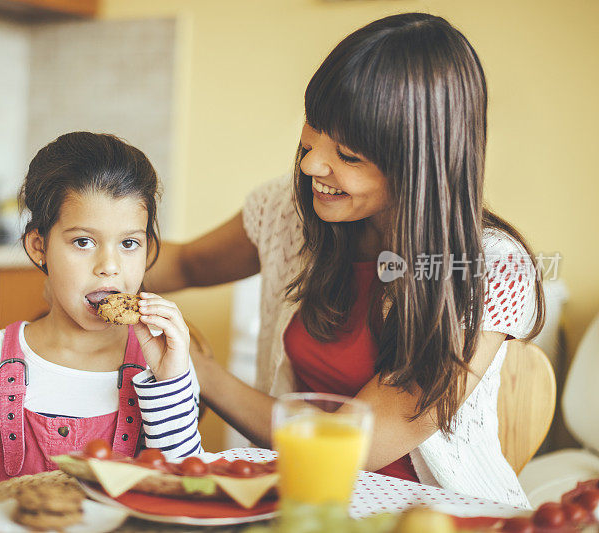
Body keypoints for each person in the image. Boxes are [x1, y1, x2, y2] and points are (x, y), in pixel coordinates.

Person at [144, 13, 544, 508]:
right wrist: (95, 260)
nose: (311, 165)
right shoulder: (288, 213)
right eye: (313, 134)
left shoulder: (489, 271)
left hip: (434, 514)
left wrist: (193, 369)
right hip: (304, 501)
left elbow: (353, 447)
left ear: (419, 165)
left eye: (348, 155)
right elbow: (184, 264)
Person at [0, 132, 203, 524]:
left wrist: (170, 381)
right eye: (83, 242)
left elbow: (185, 498)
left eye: (129, 244)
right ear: (38, 247)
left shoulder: (164, 369)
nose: (110, 266)